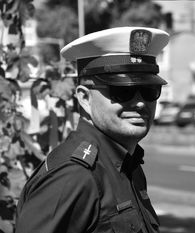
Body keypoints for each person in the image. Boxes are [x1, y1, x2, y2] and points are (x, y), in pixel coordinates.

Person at [15, 26, 169, 233]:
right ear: (85, 98)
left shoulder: (126, 164)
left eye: (150, 90)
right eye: (123, 91)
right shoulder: (74, 177)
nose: (140, 103)